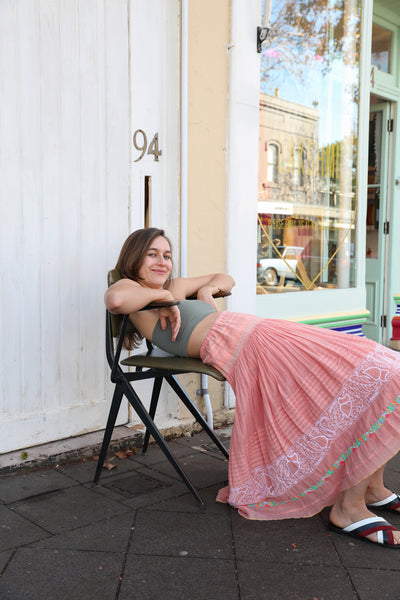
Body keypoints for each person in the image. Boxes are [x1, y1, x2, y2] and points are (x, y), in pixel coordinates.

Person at [105, 227, 400, 548]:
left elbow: (226, 278)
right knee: (379, 373)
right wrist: (161, 297)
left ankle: (373, 488)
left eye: (167, 255)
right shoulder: (132, 287)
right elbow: (116, 299)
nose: (162, 261)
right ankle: (349, 508)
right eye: (152, 254)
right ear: (134, 258)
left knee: (388, 369)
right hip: (247, 346)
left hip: (258, 332)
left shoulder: (174, 286)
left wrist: (207, 290)